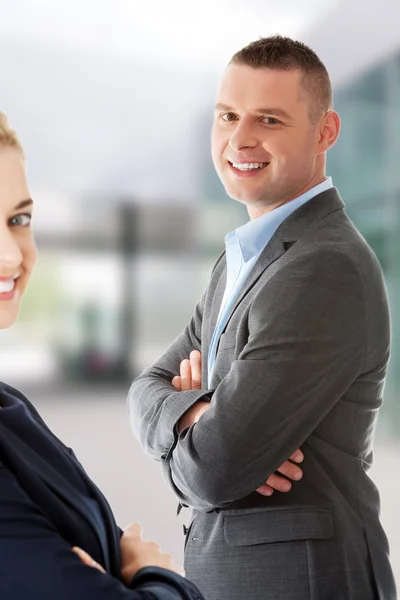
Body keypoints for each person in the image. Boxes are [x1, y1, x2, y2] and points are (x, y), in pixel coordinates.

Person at [127, 36, 397, 600]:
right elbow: (144, 389)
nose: (240, 139)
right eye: (227, 115)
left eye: (268, 119)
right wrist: (198, 413)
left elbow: (214, 470)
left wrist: (202, 437)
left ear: (325, 133)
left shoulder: (324, 267)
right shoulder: (242, 257)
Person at [0, 112, 206, 600]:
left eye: (18, 219)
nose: (12, 254)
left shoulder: (10, 404)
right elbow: (148, 387)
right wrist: (157, 574)